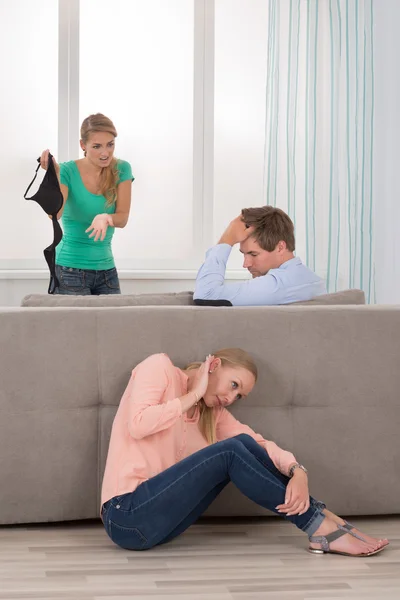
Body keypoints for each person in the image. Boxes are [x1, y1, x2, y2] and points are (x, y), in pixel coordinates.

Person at [100, 349, 388, 556]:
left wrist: (297, 470)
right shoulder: (158, 366)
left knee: (244, 446)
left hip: (162, 525)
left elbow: (258, 444)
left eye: (239, 396)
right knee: (230, 452)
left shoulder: (215, 415)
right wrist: (195, 393)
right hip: (125, 516)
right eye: (233, 385)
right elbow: (138, 425)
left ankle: (323, 519)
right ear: (214, 365)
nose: (230, 398)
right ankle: (321, 525)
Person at [40, 113, 134, 295]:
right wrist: (54, 176)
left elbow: (122, 218)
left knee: (113, 324)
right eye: (97, 146)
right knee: (75, 325)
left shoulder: (122, 169)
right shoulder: (67, 170)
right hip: (69, 270)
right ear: (83, 145)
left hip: (107, 272)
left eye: (110, 144)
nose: (105, 153)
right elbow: (54, 214)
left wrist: (106, 217)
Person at [194, 206, 327, 306]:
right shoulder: (308, 279)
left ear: (280, 247)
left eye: (253, 254)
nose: (246, 264)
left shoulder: (279, 284)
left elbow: (205, 296)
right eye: (244, 254)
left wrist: (227, 239)